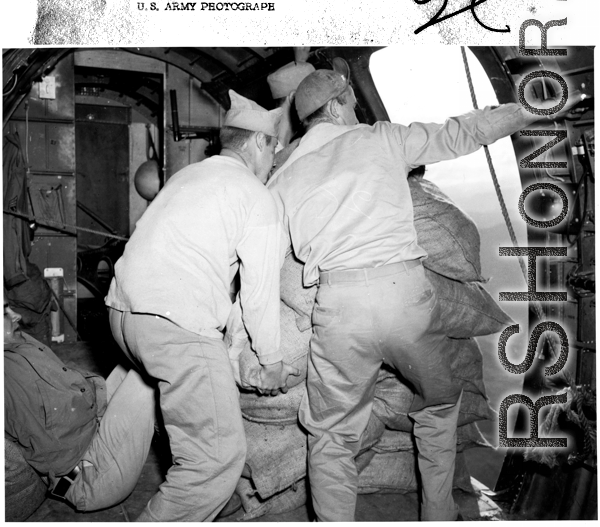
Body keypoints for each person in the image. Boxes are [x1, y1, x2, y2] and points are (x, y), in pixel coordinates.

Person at [267, 64, 542, 522]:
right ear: (336, 106)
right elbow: (460, 133)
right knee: (438, 405)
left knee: (332, 435)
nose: (356, 110)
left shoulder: (284, 175)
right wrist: (522, 111)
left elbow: (262, 257)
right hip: (406, 298)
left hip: (339, 306)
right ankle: (438, 514)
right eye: (352, 103)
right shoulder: (378, 138)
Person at [105, 91, 298, 522]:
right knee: (216, 458)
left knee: (155, 391)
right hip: (173, 327)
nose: (275, 159)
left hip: (122, 315)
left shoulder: (188, 176)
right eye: (274, 148)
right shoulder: (255, 196)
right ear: (255, 144)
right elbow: (259, 292)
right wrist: (269, 361)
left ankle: (100, 479)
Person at [4, 296, 156, 512]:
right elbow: (52, 447)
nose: (15, 315)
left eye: (9, 307)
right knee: (150, 376)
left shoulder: (19, 343)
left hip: (92, 435)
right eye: (4, 313)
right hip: (88, 477)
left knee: (139, 361)